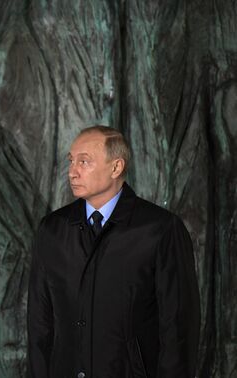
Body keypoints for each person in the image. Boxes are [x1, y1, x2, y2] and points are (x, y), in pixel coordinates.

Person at [27, 126, 200, 378]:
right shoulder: (52, 230)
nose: (72, 171)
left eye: (84, 162)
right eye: (71, 161)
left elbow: (178, 328)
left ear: (116, 167)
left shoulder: (160, 230)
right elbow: (39, 324)